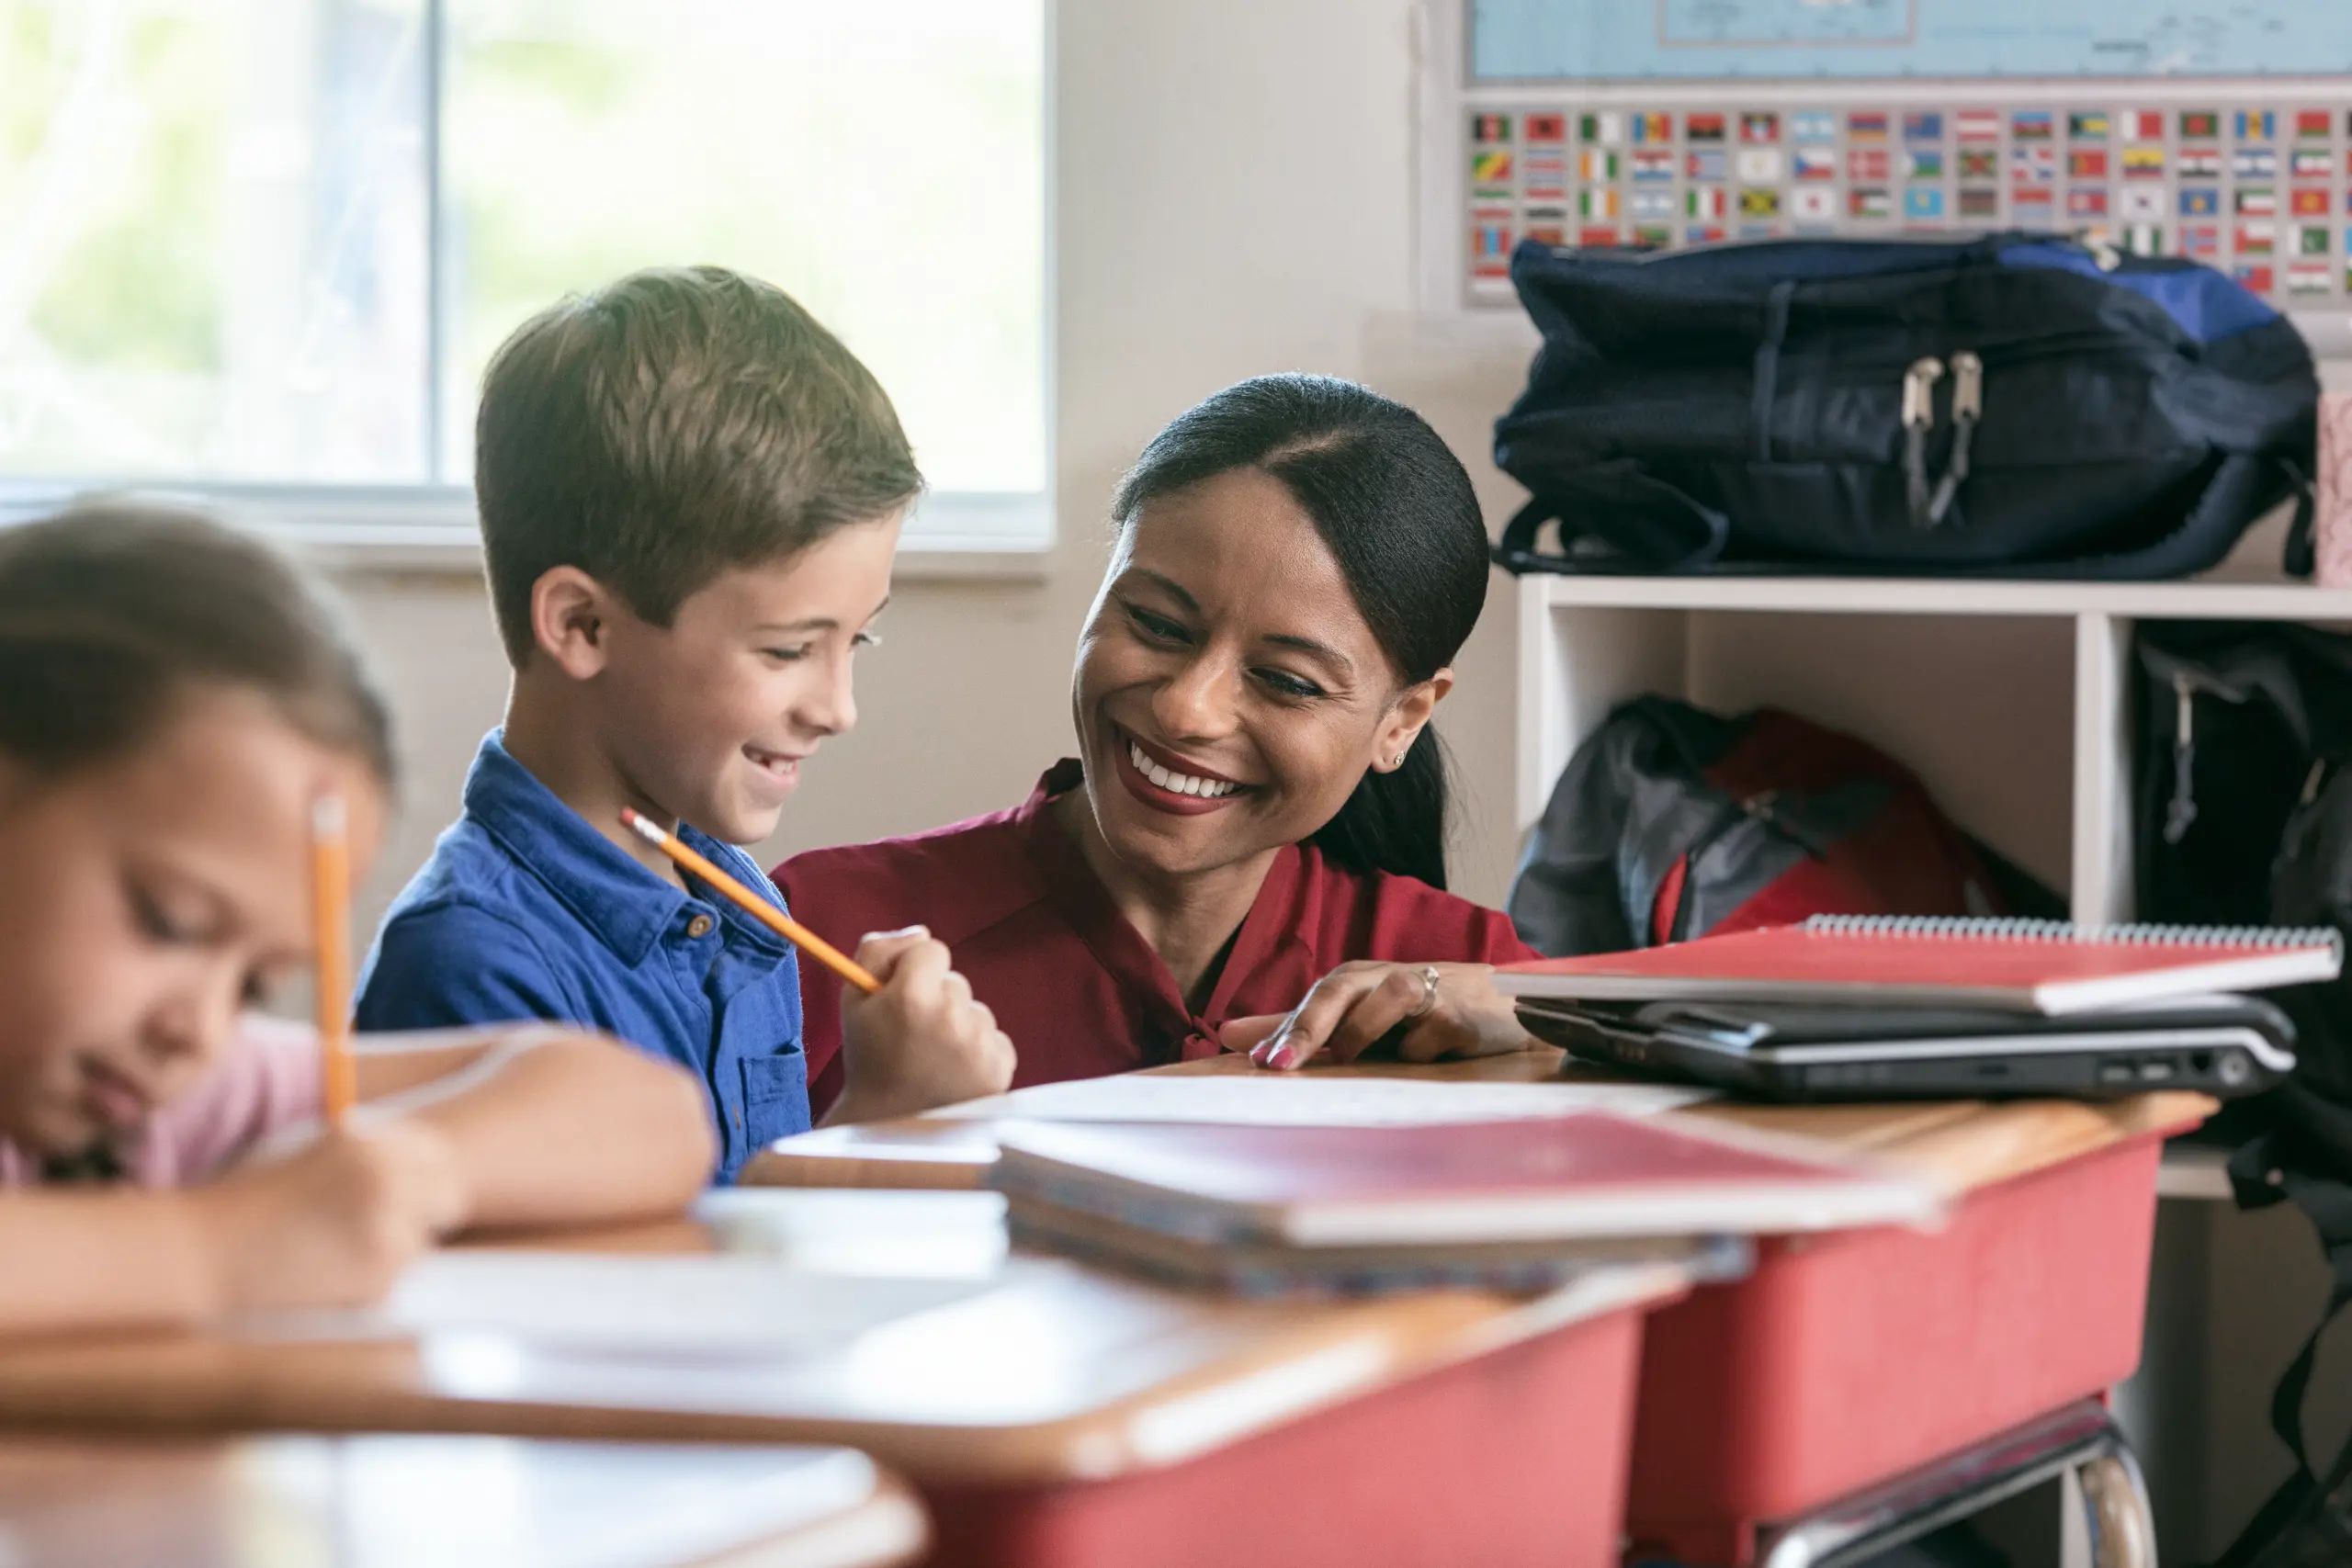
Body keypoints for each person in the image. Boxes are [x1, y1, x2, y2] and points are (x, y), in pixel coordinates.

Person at [355, 267, 1014, 1180]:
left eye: (856, 640)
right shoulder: (471, 966)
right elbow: (629, 1307)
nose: (838, 709)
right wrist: (880, 1126)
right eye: (788, 651)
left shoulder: (740, 902)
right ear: (584, 626)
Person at [0, 506, 716, 1338]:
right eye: (172, 923)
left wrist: (403, 1171)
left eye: (254, 986)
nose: (194, 1028)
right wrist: (220, 1249)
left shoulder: (158, 1093)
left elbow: (649, 1113)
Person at [777, 374, 1539, 1117]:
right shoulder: (819, 933)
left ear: (1402, 719)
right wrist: (873, 1124)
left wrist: (1551, 1020)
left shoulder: (1463, 970)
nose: (1186, 708)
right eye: (1158, 624)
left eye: (1286, 680)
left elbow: (1657, 1007)